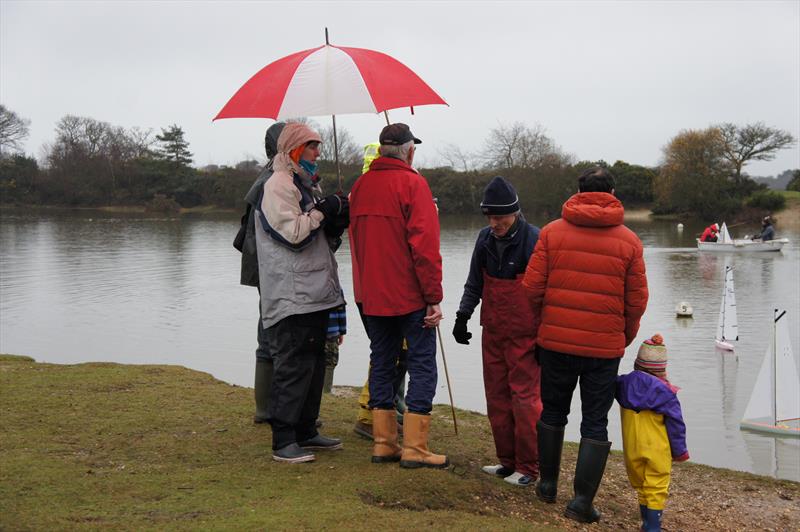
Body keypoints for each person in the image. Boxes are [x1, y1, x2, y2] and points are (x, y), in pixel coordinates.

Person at [522, 166, 649, 523]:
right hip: (603, 350)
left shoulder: (551, 233)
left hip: (556, 342)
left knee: (552, 411)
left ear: (578, 191)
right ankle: (580, 502)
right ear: (612, 192)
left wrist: (545, 322)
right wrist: (623, 335)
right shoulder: (630, 241)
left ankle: (547, 486)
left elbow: (531, 288)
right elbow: (637, 301)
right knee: (595, 421)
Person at [349, 123, 447, 469]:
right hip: (408, 294)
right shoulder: (413, 184)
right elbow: (424, 246)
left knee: (382, 361)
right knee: (422, 364)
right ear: (409, 151)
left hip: (370, 294)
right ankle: (415, 448)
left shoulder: (359, 187)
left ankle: (383, 443)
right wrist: (433, 296)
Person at [254, 121, 349, 464]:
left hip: (314, 290)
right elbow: (292, 233)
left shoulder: (305, 183)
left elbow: (320, 236)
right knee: (293, 365)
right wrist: (324, 212)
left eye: (319, 145)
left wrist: (336, 216)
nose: (317, 152)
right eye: (311, 146)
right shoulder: (278, 184)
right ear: (294, 149)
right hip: (291, 292)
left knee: (314, 364)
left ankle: (307, 429)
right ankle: (283, 440)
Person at [452, 176, 542, 487]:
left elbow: (547, 294)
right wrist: (462, 315)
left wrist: (545, 338)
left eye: (499, 217)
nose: (494, 223)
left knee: (525, 400)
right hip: (492, 331)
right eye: (490, 217)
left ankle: (528, 467)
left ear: (514, 213)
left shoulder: (535, 240)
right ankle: (507, 462)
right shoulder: (484, 239)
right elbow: (474, 283)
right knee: (497, 398)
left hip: (526, 336)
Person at [233, 121, 285, 424]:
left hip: (264, 268)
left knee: (268, 333)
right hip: (271, 269)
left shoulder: (267, 176)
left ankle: (266, 408)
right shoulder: (273, 180)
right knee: (272, 336)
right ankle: (267, 410)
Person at [616, 334, 689, 532]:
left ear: (637, 364)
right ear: (662, 369)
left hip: (632, 447)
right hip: (658, 449)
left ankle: (646, 520)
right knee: (656, 485)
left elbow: (605, 384)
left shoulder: (622, 385)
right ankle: (652, 525)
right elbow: (676, 425)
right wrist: (680, 451)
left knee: (640, 483)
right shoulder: (666, 394)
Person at [323, 304, 346, 393]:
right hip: (331, 331)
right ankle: (326, 391)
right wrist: (342, 331)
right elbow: (341, 311)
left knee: (313, 361)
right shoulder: (336, 289)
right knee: (330, 362)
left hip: (311, 331)